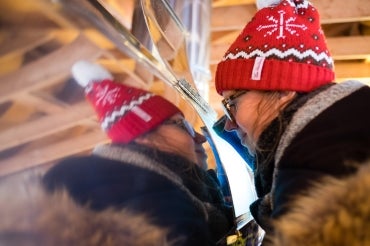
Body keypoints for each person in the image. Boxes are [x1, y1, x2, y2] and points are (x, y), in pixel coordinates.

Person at [214, 0, 370, 244]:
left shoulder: (317, 158)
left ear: (281, 89)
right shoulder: (337, 135)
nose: (228, 125)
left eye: (231, 103)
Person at [41, 60, 234, 245]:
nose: (199, 138)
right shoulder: (157, 200)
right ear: (144, 136)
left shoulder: (141, 187)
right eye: (183, 126)